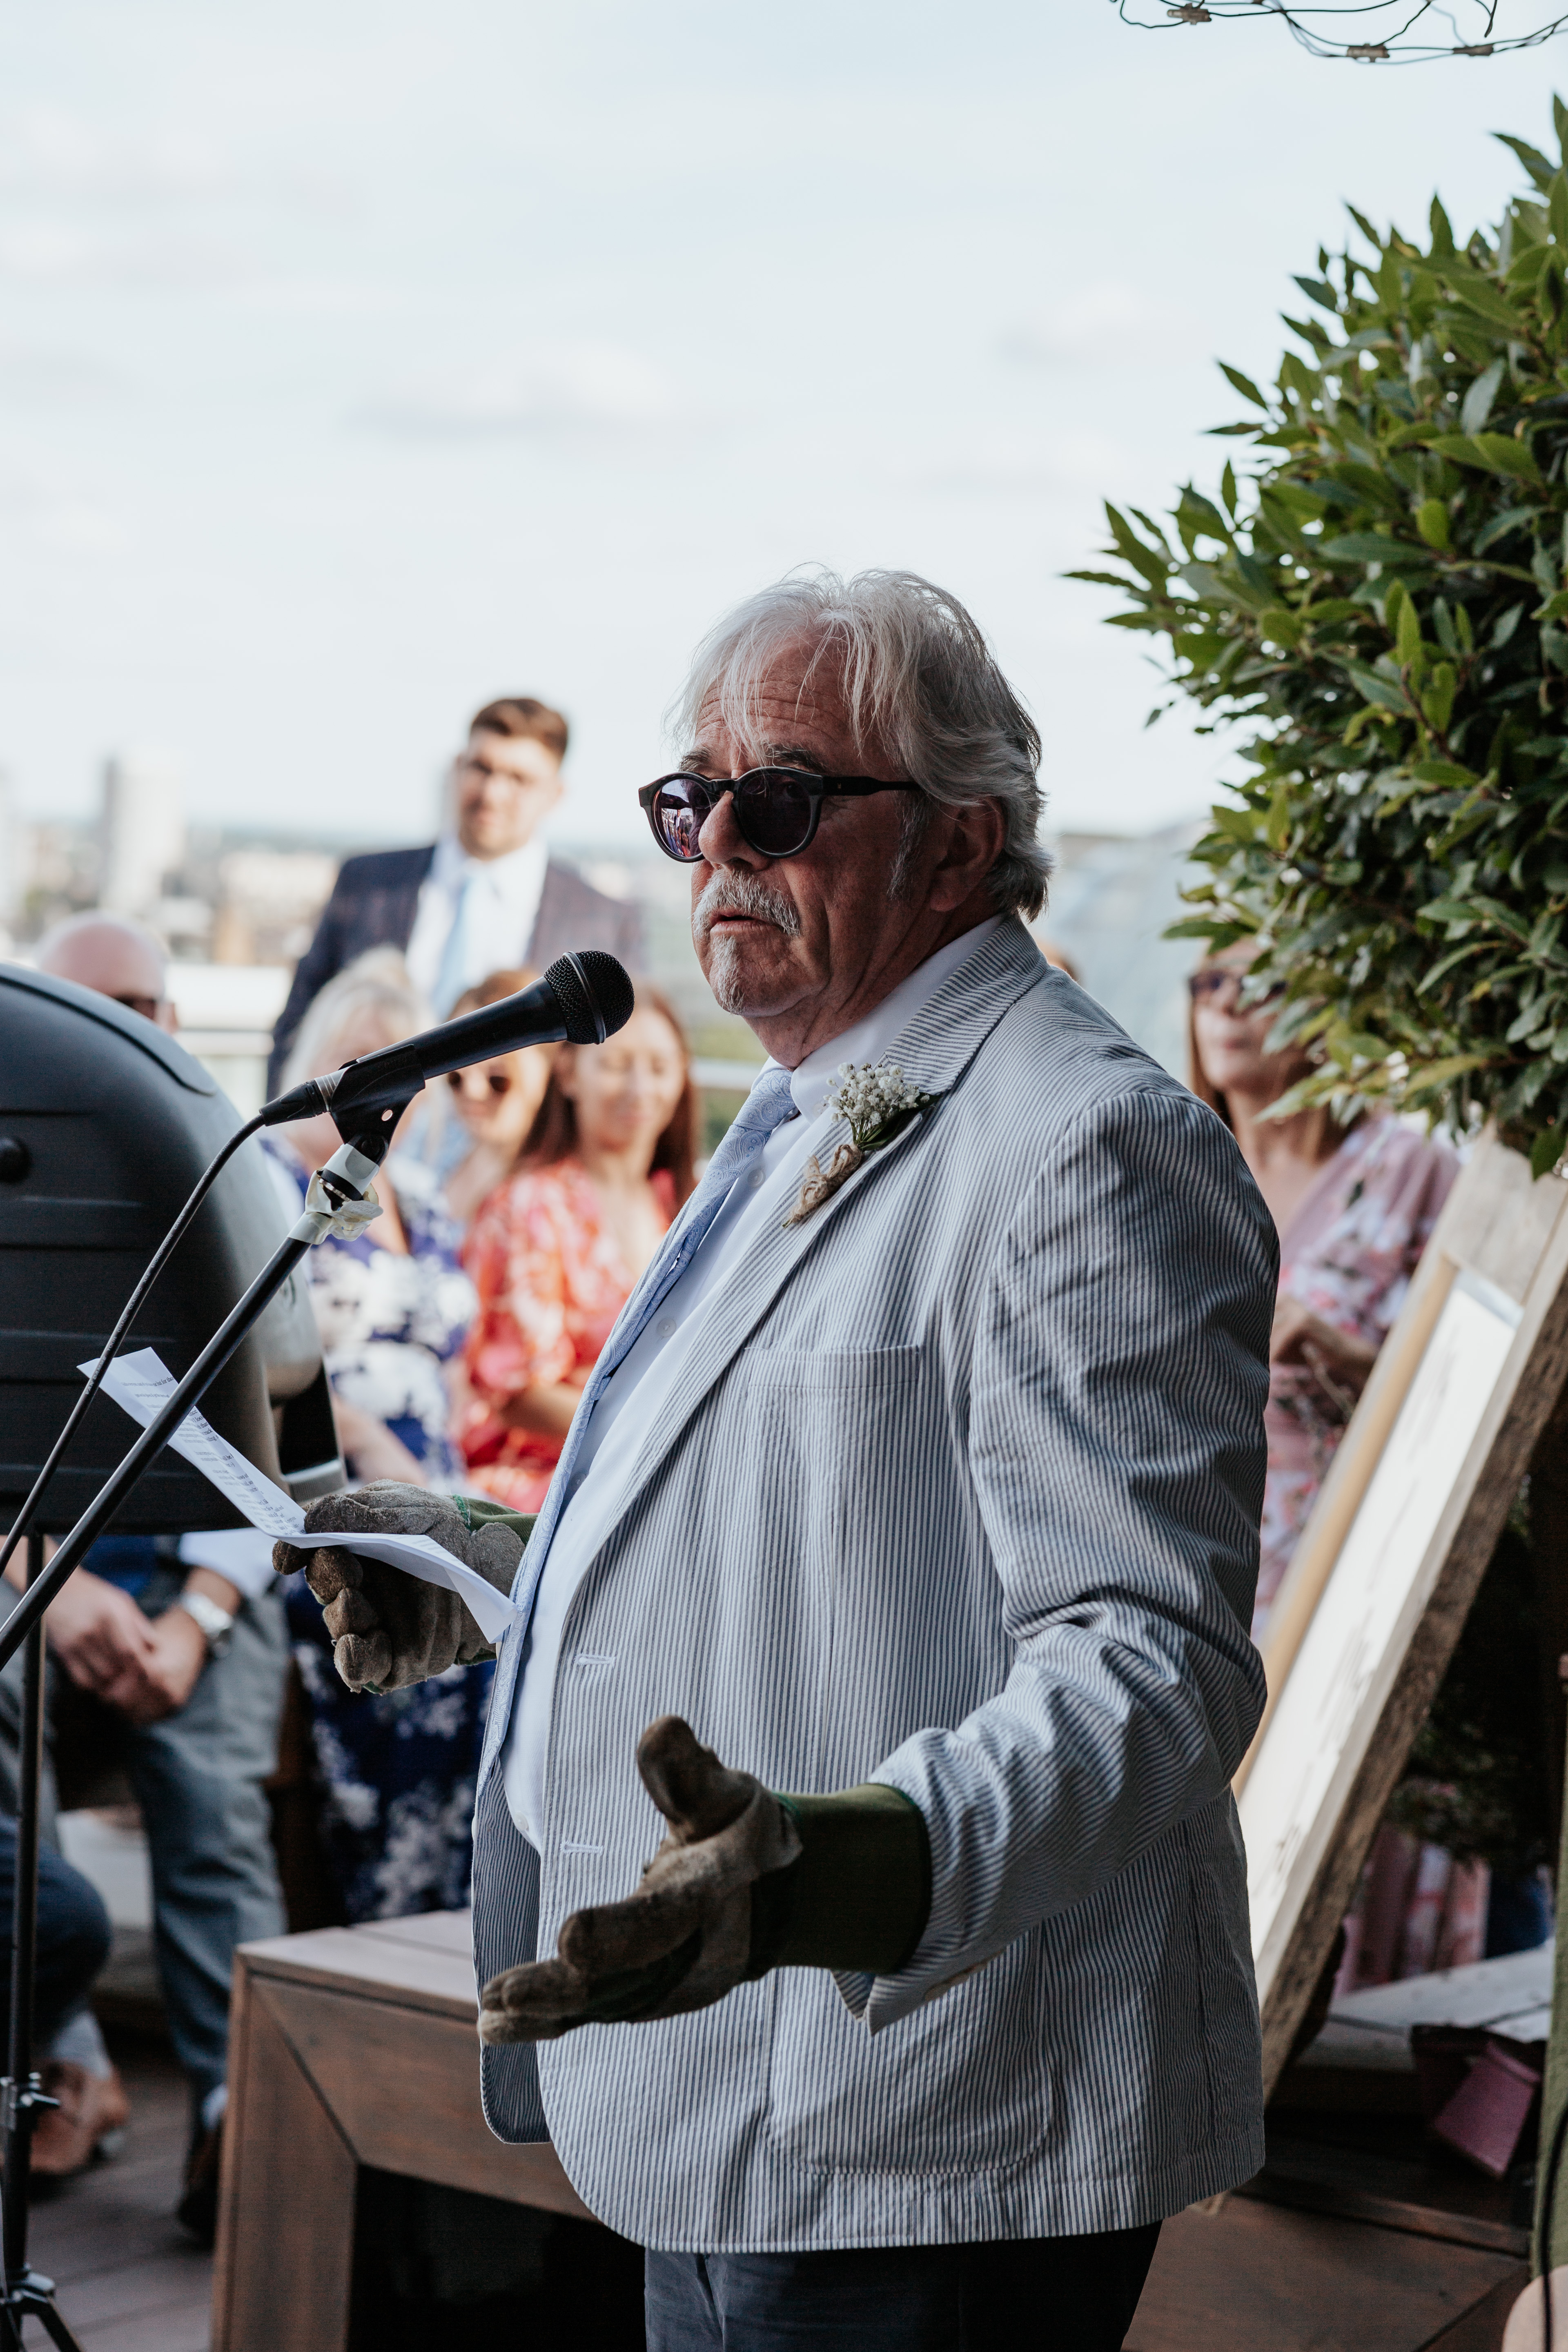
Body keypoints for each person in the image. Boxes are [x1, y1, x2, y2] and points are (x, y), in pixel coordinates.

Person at [278, 568, 1276, 2352]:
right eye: (691, 800)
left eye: (783, 800)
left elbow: (1151, 1670)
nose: (717, 847)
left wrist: (845, 1869)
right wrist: (491, 1566)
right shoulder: (808, 1097)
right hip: (737, 2096)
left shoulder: (1087, 1147)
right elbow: (804, 1550)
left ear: (960, 847)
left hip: (931, 2129)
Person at [24, 912, 292, 2237]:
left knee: (210, 1775)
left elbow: (286, 1457)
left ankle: (242, 2116)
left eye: (144, 1005)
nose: (123, 1034)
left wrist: (190, 1618)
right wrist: (50, 1586)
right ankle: (54, 2059)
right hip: (37, 1572)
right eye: (89, 1013)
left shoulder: (253, 1188)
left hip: (204, 1576)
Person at [267, 952, 490, 1922]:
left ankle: (462, 1917)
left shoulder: (429, 1208)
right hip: (342, 1491)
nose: (379, 1087)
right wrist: (377, 1445)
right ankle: (389, 1915)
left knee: (506, 1661)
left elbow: (449, 1364)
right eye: (357, 1062)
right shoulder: (287, 1192)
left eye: (399, 1066)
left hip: (437, 1488)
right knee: (417, 1675)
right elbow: (286, 1366)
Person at [1186, 945, 1459, 1643]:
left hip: (1361, 1560)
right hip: (1189, 1561)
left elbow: (1480, 1386)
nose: (1225, 1004)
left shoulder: (1407, 1168)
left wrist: (1346, 1356)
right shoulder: (1177, 1177)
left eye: (1258, 984)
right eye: (1209, 982)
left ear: (1328, 1012)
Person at [267, 697, 645, 1090]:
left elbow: (615, 1066)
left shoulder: (605, 919)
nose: (492, 793)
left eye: (519, 779)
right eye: (481, 768)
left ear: (555, 794)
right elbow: (298, 1029)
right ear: (457, 768)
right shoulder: (367, 884)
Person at [458, 986, 696, 1513]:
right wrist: (658, 1430)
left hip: (658, 1461)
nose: (639, 1088)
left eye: (659, 1067)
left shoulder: (688, 1205)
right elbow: (518, 1394)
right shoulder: (528, 1206)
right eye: (615, 1064)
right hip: (548, 1475)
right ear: (568, 1074)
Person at [424, 968, 561, 1226]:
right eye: (456, 1077)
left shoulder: (546, 1198)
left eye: (498, 1078)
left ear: (546, 1068)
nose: (473, 1092)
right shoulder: (434, 1144)